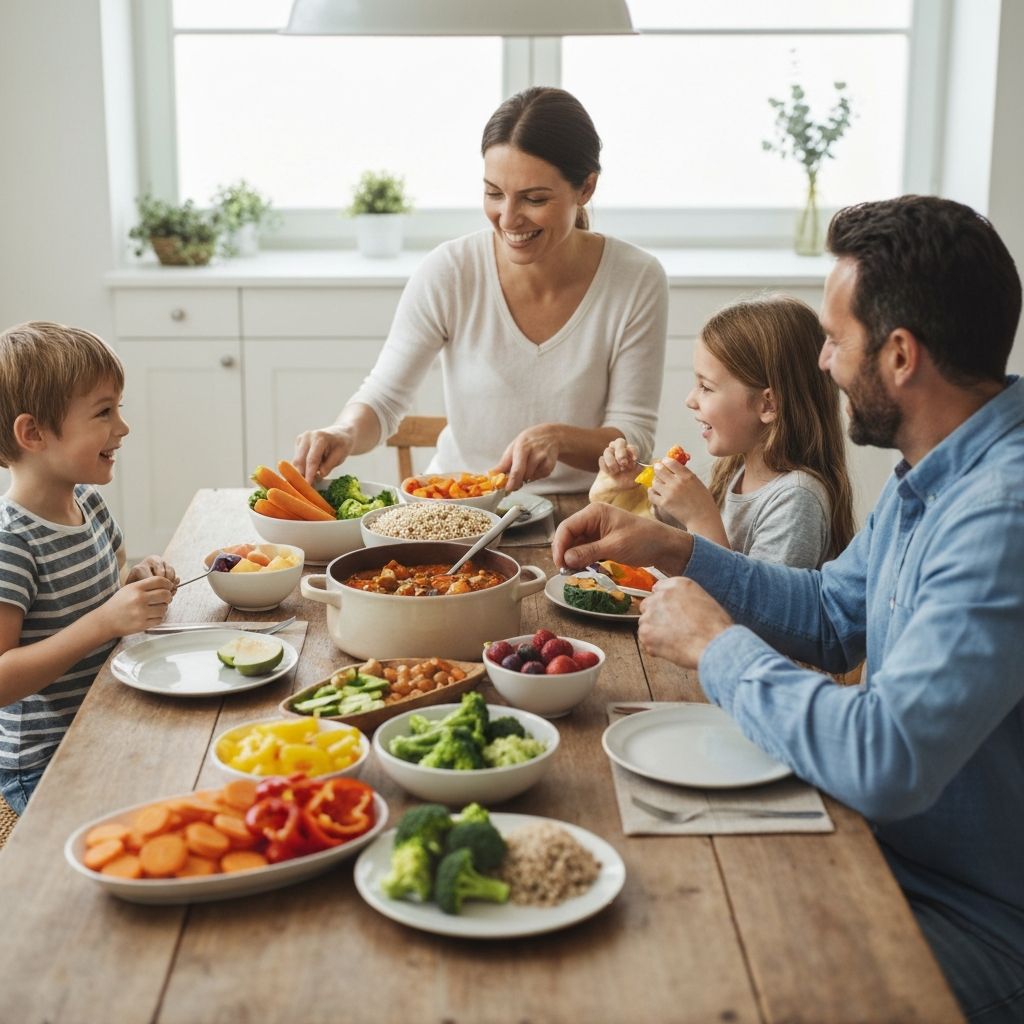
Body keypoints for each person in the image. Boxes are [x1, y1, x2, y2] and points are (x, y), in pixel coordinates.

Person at [553, 196, 1024, 1022]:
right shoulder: (937, 468)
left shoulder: (1002, 513)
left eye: (837, 340)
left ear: (902, 355)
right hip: (881, 850)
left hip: (971, 918)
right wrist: (671, 547)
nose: (825, 362)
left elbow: (887, 756)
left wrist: (717, 647)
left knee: (680, 977)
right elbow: (831, 610)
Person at [294, 87, 668, 494]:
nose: (508, 218)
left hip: (584, 510)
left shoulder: (635, 278)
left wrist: (559, 439)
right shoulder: (450, 270)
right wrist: (344, 432)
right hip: (460, 503)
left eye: (534, 198)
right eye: (493, 193)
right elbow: (383, 398)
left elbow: (634, 437)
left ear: (586, 189)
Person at [0, 322, 178, 815]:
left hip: (109, 718)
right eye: (104, 412)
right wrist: (106, 621)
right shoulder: (10, 542)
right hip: (47, 759)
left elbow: (96, 595)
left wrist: (134, 584)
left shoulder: (91, 506)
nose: (122, 427)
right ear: (33, 433)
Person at [595, 294, 854, 567]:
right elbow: (689, 541)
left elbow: (759, 608)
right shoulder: (738, 472)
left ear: (767, 404)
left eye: (706, 387)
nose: (690, 400)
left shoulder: (797, 501)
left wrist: (700, 517)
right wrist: (644, 489)